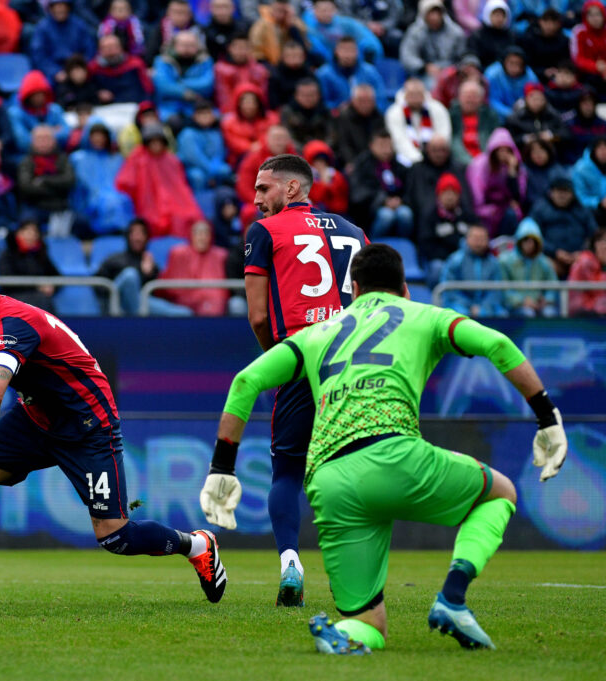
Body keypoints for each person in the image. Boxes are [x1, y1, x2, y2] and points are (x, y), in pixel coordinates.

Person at [202, 242, 566, 654]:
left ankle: (346, 636)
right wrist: (547, 416)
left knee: (368, 623)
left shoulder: (317, 333)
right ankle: (453, 597)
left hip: (329, 481)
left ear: (353, 290)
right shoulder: (425, 315)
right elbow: (497, 345)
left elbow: (244, 383)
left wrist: (222, 467)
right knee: (501, 493)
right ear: (406, 288)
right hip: (395, 455)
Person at [0, 246, 227, 604]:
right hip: (34, 417)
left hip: (88, 426)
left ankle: (198, 544)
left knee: (115, 537)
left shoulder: (11, 323)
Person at [227, 154, 368, 607]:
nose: (255, 199)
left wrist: (278, 360)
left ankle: (291, 561)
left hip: (302, 359)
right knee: (352, 469)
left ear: (291, 189)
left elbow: (256, 314)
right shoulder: (354, 231)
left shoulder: (264, 232)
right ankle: (360, 577)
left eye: (263, 189)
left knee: (287, 471)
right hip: (355, 364)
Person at [115, 123, 205, 238]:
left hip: (173, 203)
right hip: (148, 204)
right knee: (152, 220)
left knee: (189, 216)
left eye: (158, 141)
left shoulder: (172, 161)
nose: (156, 145)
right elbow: (125, 182)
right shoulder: (138, 158)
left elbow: (180, 187)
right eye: (152, 142)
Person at [68, 121, 135, 236]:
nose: (98, 140)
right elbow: (77, 189)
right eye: (95, 136)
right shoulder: (78, 159)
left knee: (121, 201)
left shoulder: (116, 159)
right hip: (89, 202)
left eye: (101, 136)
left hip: (115, 198)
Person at [348, 129, 413, 239]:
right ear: (372, 146)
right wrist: (383, 201)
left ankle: (404, 248)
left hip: (398, 205)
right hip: (370, 212)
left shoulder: (399, 166)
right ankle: (372, 246)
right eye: (382, 146)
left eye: (389, 146)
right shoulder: (362, 165)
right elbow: (358, 195)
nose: (387, 150)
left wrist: (400, 200)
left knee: (405, 214)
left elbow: (410, 190)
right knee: (386, 216)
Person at [417, 172, 479, 285]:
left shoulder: (467, 216)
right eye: (446, 192)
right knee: (437, 268)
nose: (450, 197)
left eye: (453, 193)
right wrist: (451, 258)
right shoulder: (430, 216)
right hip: (441, 259)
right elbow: (426, 244)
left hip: (465, 258)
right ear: (439, 195)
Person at [531, 172, 598, 276]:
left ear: (572, 194)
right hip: (551, 258)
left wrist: (582, 252)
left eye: (566, 191)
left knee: (586, 262)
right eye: (558, 191)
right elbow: (532, 236)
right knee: (544, 264)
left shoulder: (582, 211)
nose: (562, 195)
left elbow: (594, 235)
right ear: (551, 192)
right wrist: (555, 252)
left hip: (579, 258)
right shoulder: (540, 210)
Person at [466, 127, 526, 236]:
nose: (504, 154)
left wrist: (512, 173)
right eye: (501, 150)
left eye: (508, 150)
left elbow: (518, 198)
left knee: (512, 214)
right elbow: (477, 197)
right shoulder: (480, 166)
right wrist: (487, 210)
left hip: (504, 210)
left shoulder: (516, 167)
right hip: (485, 210)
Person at [440, 224, 508, 317]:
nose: (479, 243)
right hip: (460, 305)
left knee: (502, 315)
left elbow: (496, 290)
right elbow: (450, 290)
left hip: (487, 307)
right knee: (460, 315)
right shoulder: (455, 260)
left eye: (482, 239)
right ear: (467, 239)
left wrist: (483, 307)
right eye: (475, 238)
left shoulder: (494, 263)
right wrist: (469, 306)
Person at [499, 218, 560, 317]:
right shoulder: (505, 261)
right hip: (515, 306)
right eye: (526, 240)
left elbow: (553, 285)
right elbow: (503, 289)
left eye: (533, 241)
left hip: (539, 305)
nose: (529, 244)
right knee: (527, 313)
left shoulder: (544, 262)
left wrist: (547, 300)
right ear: (519, 241)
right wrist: (522, 301)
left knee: (550, 313)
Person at [151, 30, 216, 122]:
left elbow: (207, 85)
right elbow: (163, 86)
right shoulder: (162, 61)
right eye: (183, 44)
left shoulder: (205, 60)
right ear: (174, 45)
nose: (187, 48)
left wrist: (178, 82)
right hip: (169, 108)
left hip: (198, 107)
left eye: (191, 45)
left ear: (198, 46)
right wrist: (185, 94)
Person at [384, 78, 452, 167]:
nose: (415, 98)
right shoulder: (394, 112)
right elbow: (399, 141)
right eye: (412, 94)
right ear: (405, 94)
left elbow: (444, 135)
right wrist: (418, 160)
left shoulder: (438, 109)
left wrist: (432, 157)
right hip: (406, 160)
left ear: (424, 94)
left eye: (418, 94)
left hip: (436, 158)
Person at [399, 0, 467, 84]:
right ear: (423, 14)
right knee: (431, 84)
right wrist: (425, 67)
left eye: (437, 12)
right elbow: (407, 56)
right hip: (423, 74)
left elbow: (462, 56)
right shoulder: (415, 32)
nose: (434, 16)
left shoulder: (456, 32)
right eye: (430, 13)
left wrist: (452, 69)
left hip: (451, 73)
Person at [30, 0, 97, 84]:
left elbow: (89, 48)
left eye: (62, 6)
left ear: (68, 7)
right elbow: (39, 55)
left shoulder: (79, 25)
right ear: (51, 9)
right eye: (56, 6)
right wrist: (55, 71)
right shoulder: (42, 28)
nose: (60, 9)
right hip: (54, 71)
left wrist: (82, 68)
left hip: (78, 67)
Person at [315, 36, 387, 112]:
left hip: (366, 117)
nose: (348, 54)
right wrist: (337, 108)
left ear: (357, 52)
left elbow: (381, 99)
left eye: (351, 50)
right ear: (336, 51)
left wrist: (369, 109)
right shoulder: (324, 74)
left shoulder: (370, 72)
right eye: (344, 50)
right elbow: (321, 103)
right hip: (336, 118)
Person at [177, 100, 231, 192]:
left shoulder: (216, 132)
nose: (205, 116)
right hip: (193, 168)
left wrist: (214, 168)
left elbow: (220, 153)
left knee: (225, 170)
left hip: (213, 166)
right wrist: (211, 171)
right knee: (197, 176)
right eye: (201, 114)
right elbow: (193, 158)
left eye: (208, 113)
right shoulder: (188, 133)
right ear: (194, 116)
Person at [88, 33, 155, 106]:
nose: (110, 51)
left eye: (113, 47)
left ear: (120, 47)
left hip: (134, 106)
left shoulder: (135, 64)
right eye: (106, 48)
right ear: (100, 51)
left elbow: (148, 90)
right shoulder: (93, 68)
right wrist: (97, 93)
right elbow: (87, 90)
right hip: (105, 109)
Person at [220, 83, 277, 167]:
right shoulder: (229, 122)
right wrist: (250, 147)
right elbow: (232, 142)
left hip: (267, 155)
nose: (249, 106)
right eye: (245, 102)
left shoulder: (271, 118)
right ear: (238, 103)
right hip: (240, 158)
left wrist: (260, 145)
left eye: (253, 102)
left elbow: (272, 135)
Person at [213, 30, 269, 114]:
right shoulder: (221, 69)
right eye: (238, 48)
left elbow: (262, 97)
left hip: (256, 114)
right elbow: (223, 98)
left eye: (245, 48)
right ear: (230, 48)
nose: (241, 52)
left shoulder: (259, 70)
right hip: (232, 115)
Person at [449, 80, 501, 165]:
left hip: (487, 163)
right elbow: (453, 143)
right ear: (459, 97)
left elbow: (495, 141)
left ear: (481, 98)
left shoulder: (490, 116)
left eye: (474, 96)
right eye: (466, 96)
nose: (470, 100)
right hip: (459, 163)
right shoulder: (451, 115)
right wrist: (471, 163)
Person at [332, 84, 384, 171]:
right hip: (351, 162)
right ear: (353, 101)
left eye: (368, 101)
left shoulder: (378, 117)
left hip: (375, 162)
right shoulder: (344, 116)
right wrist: (351, 162)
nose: (365, 104)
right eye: (361, 101)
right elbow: (344, 144)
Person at [485, 46, 540, 119]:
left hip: (523, 117)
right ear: (504, 62)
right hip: (497, 117)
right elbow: (491, 100)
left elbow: (535, 98)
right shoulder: (492, 75)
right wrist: (509, 113)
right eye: (511, 63)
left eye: (518, 63)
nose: (514, 68)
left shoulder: (531, 77)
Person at [279, 78, 332, 151]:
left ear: (319, 95)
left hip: (321, 153)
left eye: (311, 95)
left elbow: (332, 136)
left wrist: (319, 149)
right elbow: (288, 137)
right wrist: (305, 150)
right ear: (296, 96)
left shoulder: (325, 111)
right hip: (297, 153)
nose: (308, 98)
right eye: (304, 95)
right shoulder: (288, 112)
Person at [466, 0, 516, 69]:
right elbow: (472, 55)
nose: (499, 18)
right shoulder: (478, 36)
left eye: (502, 15)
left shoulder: (511, 36)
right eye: (496, 14)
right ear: (487, 14)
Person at [567, 227, 606, 315]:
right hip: (582, 311)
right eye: (603, 242)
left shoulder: (600, 266)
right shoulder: (586, 261)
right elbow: (597, 290)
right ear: (596, 245)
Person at [303, 140, 348, 215]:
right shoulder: (308, 177)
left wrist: (331, 186)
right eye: (316, 161)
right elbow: (314, 198)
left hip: (336, 213)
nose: (320, 164)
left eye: (323, 161)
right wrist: (324, 184)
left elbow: (341, 202)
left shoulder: (335, 175)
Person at [573, 136, 606, 224]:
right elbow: (580, 197)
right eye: (601, 148)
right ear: (593, 150)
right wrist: (599, 203)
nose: (604, 152)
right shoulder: (580, 169)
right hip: (591, 211)